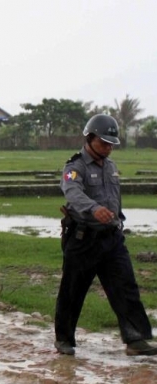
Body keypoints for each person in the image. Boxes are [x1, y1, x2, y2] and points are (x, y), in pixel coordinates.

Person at [55, 114, 157, 357]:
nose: (108, 148)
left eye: (111, 144)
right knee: (73, 290)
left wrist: (117, 219)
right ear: (89, 139)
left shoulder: (111, 166)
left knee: (126, 287)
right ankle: (64, 340)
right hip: (83, 239)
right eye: (103, 143)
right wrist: (94, 209)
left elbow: (114, 198)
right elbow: (72, 192)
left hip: (111, 239)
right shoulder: (75, 166)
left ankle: (135, 339)